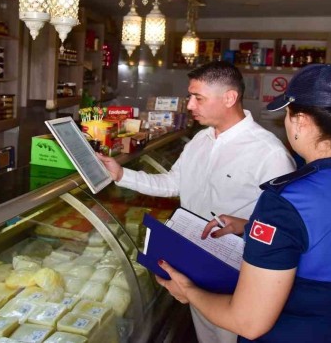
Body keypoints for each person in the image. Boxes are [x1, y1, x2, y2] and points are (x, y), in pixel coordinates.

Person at [155, 64, 331, 343]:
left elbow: (248, 322)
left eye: (286, 113)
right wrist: (250, 228)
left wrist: (188, 291)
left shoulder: (289, 200)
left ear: (300, 121)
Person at [97, 61, 296, 343]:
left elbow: (287, 227)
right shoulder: (200, 140)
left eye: (198, 98)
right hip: (192, 260)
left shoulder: (269, 153)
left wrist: (245, 225)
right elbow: (172, 183)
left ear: (229, 98)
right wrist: (120, 174)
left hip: (237, 273)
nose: (190, 105)